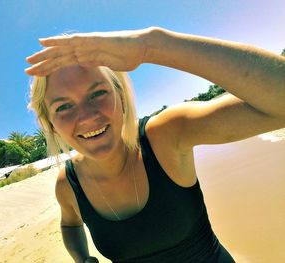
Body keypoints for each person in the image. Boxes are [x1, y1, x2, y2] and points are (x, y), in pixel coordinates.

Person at [25, 27, 285, 263]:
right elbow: (70, 225)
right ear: (50, 124)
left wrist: (152, 45)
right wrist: (81, 258)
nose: (87, 116)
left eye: (98, 93)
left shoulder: (165, 136)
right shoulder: (68, 185)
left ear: (122, 98)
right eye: (64, 106)